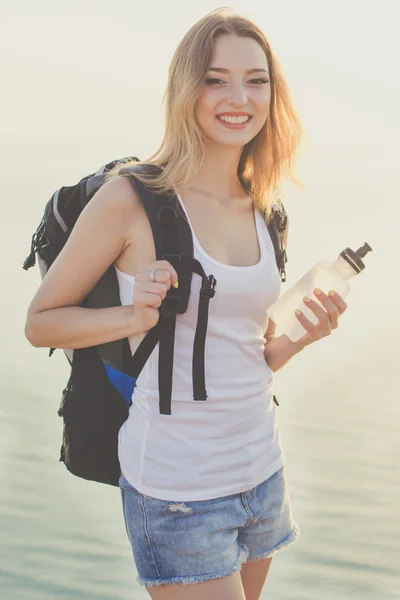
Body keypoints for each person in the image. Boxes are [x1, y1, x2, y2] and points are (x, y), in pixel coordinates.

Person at [25, 8, 348, 600]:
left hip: (263, 475)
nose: (238, 97)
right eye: (215, 78)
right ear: (185, 89)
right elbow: (39, 324)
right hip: (178, 491)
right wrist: (132, 315)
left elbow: (248, 356)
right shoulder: (132, 198)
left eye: (256, 80)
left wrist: (300, 337)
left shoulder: (265, 208)